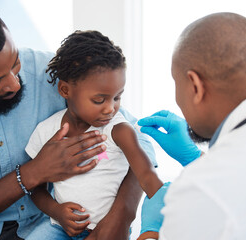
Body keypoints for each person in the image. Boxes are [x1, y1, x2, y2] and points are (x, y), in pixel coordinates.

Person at [0, 1, 156, 239]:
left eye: (15, 63)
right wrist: (34, 173)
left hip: (50, 221)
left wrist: (123, 213)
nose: (14, 83)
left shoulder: (52, 73)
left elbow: (138, 140)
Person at [137, 12, 246, 239]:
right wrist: (196, 158)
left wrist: (150, 232)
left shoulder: (201, 189)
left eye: (176, 84)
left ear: (195, 85)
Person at [24, 30, 165, 239]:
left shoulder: (118, 130)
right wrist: (57, 212)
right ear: (65, 90)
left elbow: (146, 175)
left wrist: (167, 214)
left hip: (110, 230)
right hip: (59, 227)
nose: (110, 109)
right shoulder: (46, 131)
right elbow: (36, 188)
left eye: (117, 97)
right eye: (100, 100)